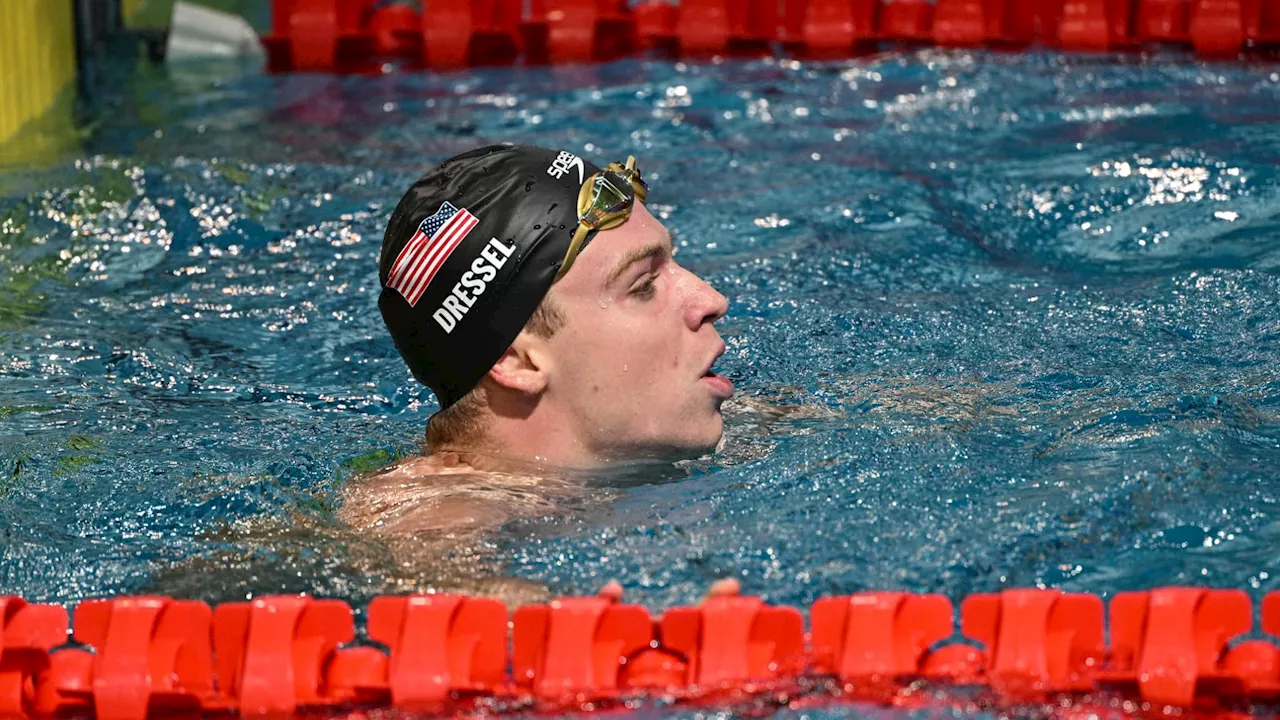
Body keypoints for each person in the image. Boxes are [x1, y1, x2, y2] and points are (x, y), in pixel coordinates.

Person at [339, 144, 737, 601]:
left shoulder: (733, 425)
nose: (711, 299)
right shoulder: (429, 520)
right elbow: (449, 602)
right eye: (643, 285)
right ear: (517, 361)